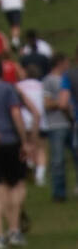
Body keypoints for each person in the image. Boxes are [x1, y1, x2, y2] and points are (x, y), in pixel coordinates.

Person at [0, 60, 36, 249]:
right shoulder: (7, 89)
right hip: (9, 140)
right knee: (16, 184)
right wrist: (25, 141)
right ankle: (14, 230)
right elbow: (16, 114)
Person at [44, 55, 78, 200]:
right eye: (66, 61)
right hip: (57, 124)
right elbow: (46, 103)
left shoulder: (70, 76)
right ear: (60, 63)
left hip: (72, 123)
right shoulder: (48, 80)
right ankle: (59, 193)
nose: (69, 64)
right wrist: (62, 104)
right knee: (58, 160)